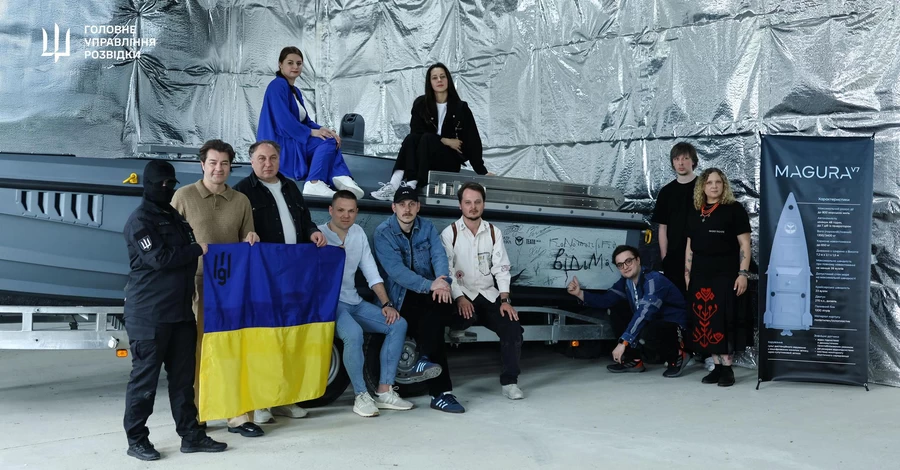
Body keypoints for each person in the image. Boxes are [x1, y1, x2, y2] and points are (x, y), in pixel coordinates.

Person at [122, 160, 227, 461]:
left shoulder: (174, 216)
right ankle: (136, 440)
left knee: (183, 381)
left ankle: (191, 435)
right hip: (149, 315)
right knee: (144, 382)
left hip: (180, 313)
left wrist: (194, 248)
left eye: (171, 184)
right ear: (148, 185)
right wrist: (196, 250)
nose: (167, 189)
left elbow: (185, 248)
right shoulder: (140, 221)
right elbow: (160, 258)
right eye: (162, 184)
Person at [171, 139, 264, 437]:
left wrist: (252, 238)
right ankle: (200, 412)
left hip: (232, 288)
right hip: (197, 286)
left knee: (235, 349)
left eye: (224, 163)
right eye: (212, 162)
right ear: (202, 164)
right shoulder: (183, 197)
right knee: (200, 351)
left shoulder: (241, 201)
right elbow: (171, 242)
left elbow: (248, 237)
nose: (218, 168)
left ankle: (238, 415)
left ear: (230, 167)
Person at [319, 191, 440, 417]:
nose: (346, 215)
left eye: (351, 211)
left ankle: (384, 392)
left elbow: (372, 274)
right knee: (353, 333)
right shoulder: (319, 235)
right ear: (330, 210)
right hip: (330, 304)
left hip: (353, 300)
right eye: (341, 210)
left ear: (357, 212)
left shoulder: (358, 233)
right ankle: (361, 396)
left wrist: (386, 303)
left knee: (397, 324)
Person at [233, 139, 328, 425]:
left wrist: (312, 232)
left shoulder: (290, 187)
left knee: (290, 336)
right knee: (264, 340)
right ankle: (261, 402)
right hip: (262, 279)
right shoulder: (242, 191)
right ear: (251, 161)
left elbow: (305, 219)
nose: (268, 163)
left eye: (273, 157)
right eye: (261, 158)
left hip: (293, 275)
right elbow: (237, 232)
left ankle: (285, 398)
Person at [373, 186, 465, 413]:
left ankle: (424, 360)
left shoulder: (427, 227)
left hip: (429, 290)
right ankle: (441, 394)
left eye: (411, 204)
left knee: (441, 309)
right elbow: (396, 272)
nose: (407, 209)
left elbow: (439, 256)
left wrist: (442, 281)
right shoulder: (383, 233)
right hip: (400, 295)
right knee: (433, 323)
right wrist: (431, 285)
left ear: (418, 207)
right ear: (393, 207)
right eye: (402, 205)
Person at [440, 182, 525, 400]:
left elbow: (501, 268)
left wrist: (505, 300)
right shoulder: (450, 233)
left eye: (477, 202)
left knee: (513, 327)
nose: (473, 207)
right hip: (463, 294)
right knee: (466, 315)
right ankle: (457, 327)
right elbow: (447, 270)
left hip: (487, 294)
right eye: (468, 202)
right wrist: (459, 297)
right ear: (460, 205)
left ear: (483, 204)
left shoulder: (494, 232)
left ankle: (510, 383)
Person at [370, 63, 494, 201]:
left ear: (448, 79)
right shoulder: (421, 104)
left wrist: (482, 171)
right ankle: (393, 185)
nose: (439, 80)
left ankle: (413, 184)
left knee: (427, 138)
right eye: (435, 78)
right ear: (429, 82)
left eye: (442, 76)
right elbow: (416, 131)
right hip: (424, 156)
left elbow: (473, 140)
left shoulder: (460, 108)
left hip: (448, 161)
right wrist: (445, 140)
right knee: (411, 138)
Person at [566, 245, 691, 377]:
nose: (625, 267)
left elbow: (645, 313)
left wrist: (623, 342)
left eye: (628, 261)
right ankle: (634, 360)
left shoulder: (653, 280)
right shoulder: (626, 282)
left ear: (638, 260)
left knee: (646, 329)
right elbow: (606, 300)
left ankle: (678, 355)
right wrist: (579, 293)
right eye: (620, 265)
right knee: (617, 308)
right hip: (653, 322)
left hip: (675, 327)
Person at [257, 46, 364, 199]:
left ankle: (341, 177)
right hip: (280, 143)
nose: (295, 67)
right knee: (327, 142)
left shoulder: (295, 91)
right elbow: (284, 122)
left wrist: (324, 130)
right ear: (280, 65)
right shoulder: (277, 85)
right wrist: (312, 132)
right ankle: (317, 182)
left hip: (292, 138)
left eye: (299, 63)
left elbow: (305, 121)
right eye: (290, 63)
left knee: (329, 138)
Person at [684, 168, 752, 387]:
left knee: (724, 319)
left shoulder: (734, 210)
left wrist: (743, 274)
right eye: (709, 182)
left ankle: (727, 369)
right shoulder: (695, 212)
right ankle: (717, 367)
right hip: (700, 275)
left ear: (724, 185)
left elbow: (745, 244)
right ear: (702, 187)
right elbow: (690, 247)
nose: (714, 186)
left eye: (718, 182)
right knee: (706, 321)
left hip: (725, 274)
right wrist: (687, 274)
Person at [651, 142, 698, 296]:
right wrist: (665, 257)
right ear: (672, 163)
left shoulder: (704, 188)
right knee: (676, 300)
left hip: (700, 255)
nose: (681, 163)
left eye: (685, 158)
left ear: (693, 161)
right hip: (674, 257)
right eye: (677, 159)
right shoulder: (666, 192)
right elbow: (662, 227)